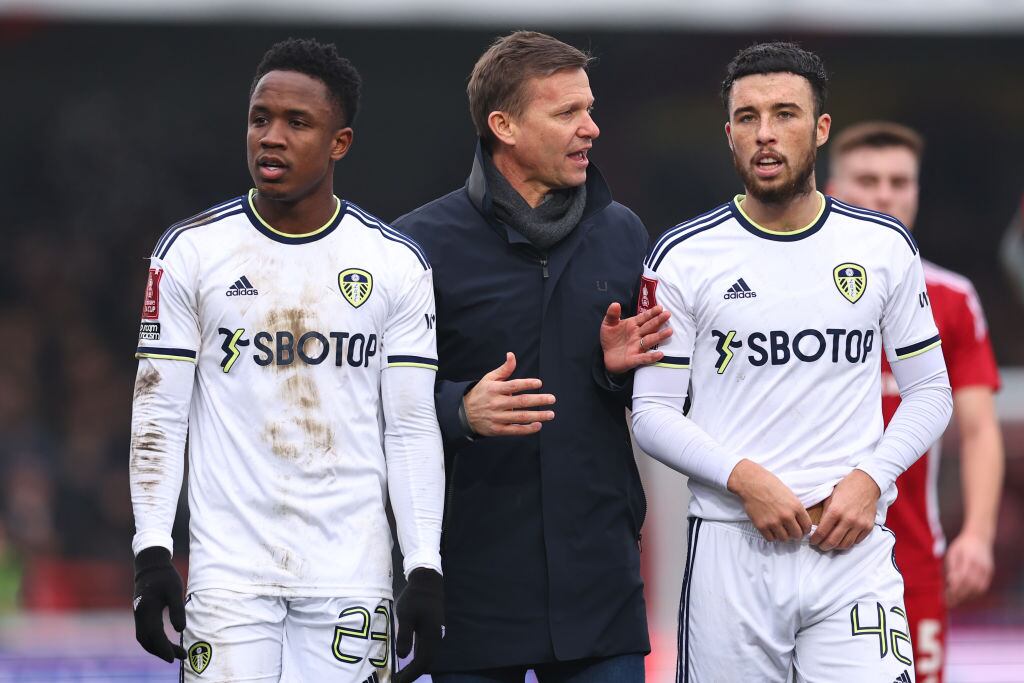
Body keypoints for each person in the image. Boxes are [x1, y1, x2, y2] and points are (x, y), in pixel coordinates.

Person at [631, 42, 954, 682]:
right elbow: (651, 413)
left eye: (785, 114)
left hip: (850, 549)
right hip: (731, 549)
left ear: (821, 128)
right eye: (747, 117)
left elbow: (931, 392)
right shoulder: (683, 256)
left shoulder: (883, 246)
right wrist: (743, 479)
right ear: (728, 134)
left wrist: (871, 479)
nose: (766, 133)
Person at [129, 38, 444, 683]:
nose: (271, 137)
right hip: (229, 578)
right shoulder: (190, 253)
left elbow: (411, 427)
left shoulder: (395, 264)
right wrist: (152, 552)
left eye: (297, 122)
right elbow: (159, 411)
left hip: (351, 575)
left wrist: (423, 566)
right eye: (260, 118)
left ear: (340, 143)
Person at [393, 30, 670, 682]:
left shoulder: (623, 232)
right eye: (567, 112)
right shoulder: (416, 245)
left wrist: (616, 373)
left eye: (589, 108)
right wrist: (458, 409)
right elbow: (372, 397)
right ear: (504, 126)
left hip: (600, 583)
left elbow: (660, 397)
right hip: (472, 583)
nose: (591, 128)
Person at [827, 121, 1004, 683]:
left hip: (911, 563)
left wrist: (977, 534)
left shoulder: (951, 299)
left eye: (899, 182)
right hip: (802, 553)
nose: (885, 195)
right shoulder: (787, 292)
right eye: (868, 180)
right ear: (832, 190)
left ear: (917, 192)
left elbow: (979, 430)